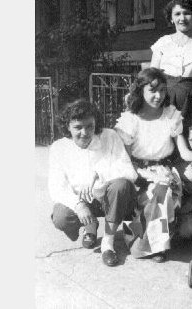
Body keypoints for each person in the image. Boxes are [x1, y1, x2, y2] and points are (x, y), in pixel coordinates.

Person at [114, 68, 192, 263]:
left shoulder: (170, 115)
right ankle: (137, 238)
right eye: (153, 91)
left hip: (165, 170)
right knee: (159, 192)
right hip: (137, 172)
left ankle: (156, 245)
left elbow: (184, 151)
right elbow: (123, 158)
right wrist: (143, 174)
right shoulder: (131, 119)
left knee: (163, 190)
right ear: (140, 90)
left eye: (163, 91)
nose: (159, 96)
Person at [48, 99, 138, 267]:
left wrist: (98, 178)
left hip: (107, 197)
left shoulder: (110, 136)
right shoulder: (58, 148)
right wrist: (79, 205)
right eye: (78, 127)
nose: (85, 132)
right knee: (61, 218)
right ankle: (90, 226)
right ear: (67, 127)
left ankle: (108, 243)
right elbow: (56, 187)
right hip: (81, 201)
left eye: (89, 126)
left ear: (96, 123)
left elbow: (127, 170)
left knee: (121, 185)